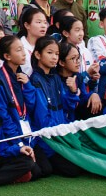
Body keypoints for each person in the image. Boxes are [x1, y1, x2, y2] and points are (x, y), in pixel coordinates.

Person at [24, 39, 84, 178]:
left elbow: (67, 108)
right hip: (48, 139)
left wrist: (72, 92)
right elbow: (41, 118)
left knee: (82, 162)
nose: (54, 57)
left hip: (60, 135)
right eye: (50, 53)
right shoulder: (35, 80)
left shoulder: (55, 77)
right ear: (38, 55)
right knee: (73, 170)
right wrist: (59, 134)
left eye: (56, 54)